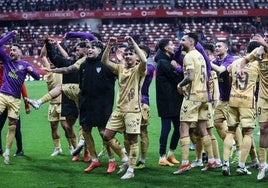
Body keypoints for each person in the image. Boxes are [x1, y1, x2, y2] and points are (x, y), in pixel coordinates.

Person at [26, 38, 90, 162]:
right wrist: (49, 45)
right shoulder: (71, 62)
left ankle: (86, 151)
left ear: (85, 50)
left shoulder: (87, 63)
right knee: (67, 126)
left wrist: (53, 69)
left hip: (84, 97)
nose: (75, 52)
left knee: (85, 126)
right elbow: (56, 58)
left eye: (78, 50)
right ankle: (77, 148)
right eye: (75, 50)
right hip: (69, 98)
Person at [101, 36, 147, 179]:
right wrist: (109, 46)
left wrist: (133, 43)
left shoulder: (140, 69)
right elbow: (104, 61)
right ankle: (125, 158)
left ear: (136, 57)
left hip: (133, 111)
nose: (127, 56)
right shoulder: (120, 68)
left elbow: (144, 60)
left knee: (132, 140)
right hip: (119, 109)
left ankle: (131, 170)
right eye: (125, 54)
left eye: (130, 54)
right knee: (106, 135)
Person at [173, 33, 215, 175]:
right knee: (203, 129)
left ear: (191, 42)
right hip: (203, 96)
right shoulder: (200, 56)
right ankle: (211, 160)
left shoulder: (189, 56)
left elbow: (190, 77)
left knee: (183, 128)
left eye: (183, 40)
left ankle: (185, 163)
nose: (180, 42)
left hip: (192, 96)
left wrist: (180, 84)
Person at [0, 30, 40, 164]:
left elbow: (37, 77)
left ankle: (7, 152)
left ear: (20, 53)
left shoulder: (26, 65)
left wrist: (32, 71)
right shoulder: (6, 60)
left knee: (12, 126)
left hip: (15, 100)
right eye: (10, 49)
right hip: (3, 95)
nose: (11, 51)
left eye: (14, 50)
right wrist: (11, 35)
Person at [222, 41, 260, 176]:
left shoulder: (235, 63)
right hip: (247, 102)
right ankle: (241, 166)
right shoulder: (258, 64)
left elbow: (229, 79)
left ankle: (225, 164)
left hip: (233, 100)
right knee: (248, 133)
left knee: (230, 131)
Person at [237, 31, 268, 180]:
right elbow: (244, 60)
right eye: (265, 36)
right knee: (263, 129)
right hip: (263, 97)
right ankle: (263, 164)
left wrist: (261, 41)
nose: (265, 39)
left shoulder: (262, 47)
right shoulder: (258, 52)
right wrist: (239, 68)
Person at [124, 44, 155, 169]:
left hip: (142, 103)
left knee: (142, 132)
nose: (135, 54)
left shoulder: (150, 67)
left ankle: (142, 160)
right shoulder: (127, 67)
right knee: (126, 134)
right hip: (127, 104)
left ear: (145, 55)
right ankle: (129, 160)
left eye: (138, 52)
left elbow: (143, 71)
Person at [210, 41, 242, 163]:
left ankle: (239, 151)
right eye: (216, 46)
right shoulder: (215, 60)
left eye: (219, 46)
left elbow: (220, 70)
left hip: (232, 98)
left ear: (226, 48)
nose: (217, 48)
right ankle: (232, 143)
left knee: (233, 125)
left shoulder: (230, 60)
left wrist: (206, 61)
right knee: (217, 122)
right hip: (222, 99)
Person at [154, 38, 183, 167]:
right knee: (166, 128)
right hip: (166, 100)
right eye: (171, 44)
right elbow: (176, 77)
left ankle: (171, 154)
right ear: (166, 48)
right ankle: (162, 156)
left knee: (178, 128)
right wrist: (178, 68)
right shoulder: (163, 62)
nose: (174, 46)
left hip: (174, 99)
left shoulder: (165, 61)